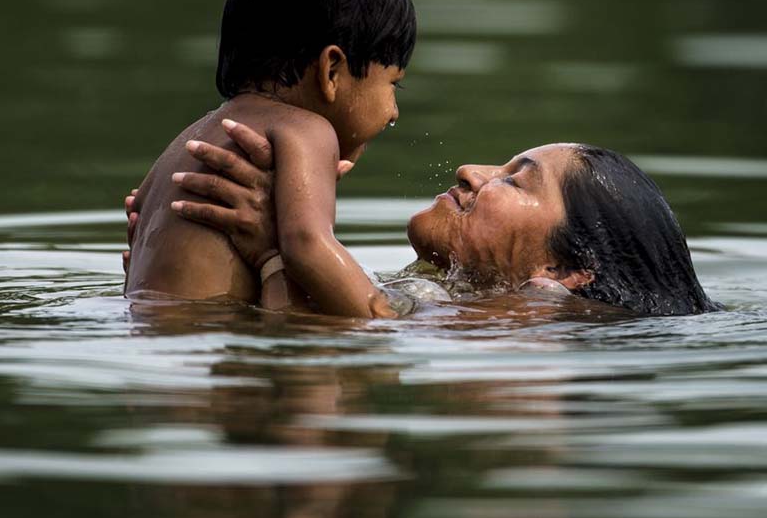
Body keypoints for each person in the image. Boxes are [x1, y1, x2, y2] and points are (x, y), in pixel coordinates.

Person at [126, 121, 720, 317]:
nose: (469, 170)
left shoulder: (520, 335)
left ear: (563, 268)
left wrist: (274, 249)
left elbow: (320, 353)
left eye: (515, 179)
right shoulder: (458, 306)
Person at [125, 0, 415, 319]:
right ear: (332, 70)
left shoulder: (188, 139)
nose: (394, 111)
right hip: (216, 347)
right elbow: (306, 245)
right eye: (393, 84)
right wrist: (381, 315)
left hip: (147, 342)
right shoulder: (307, 131)